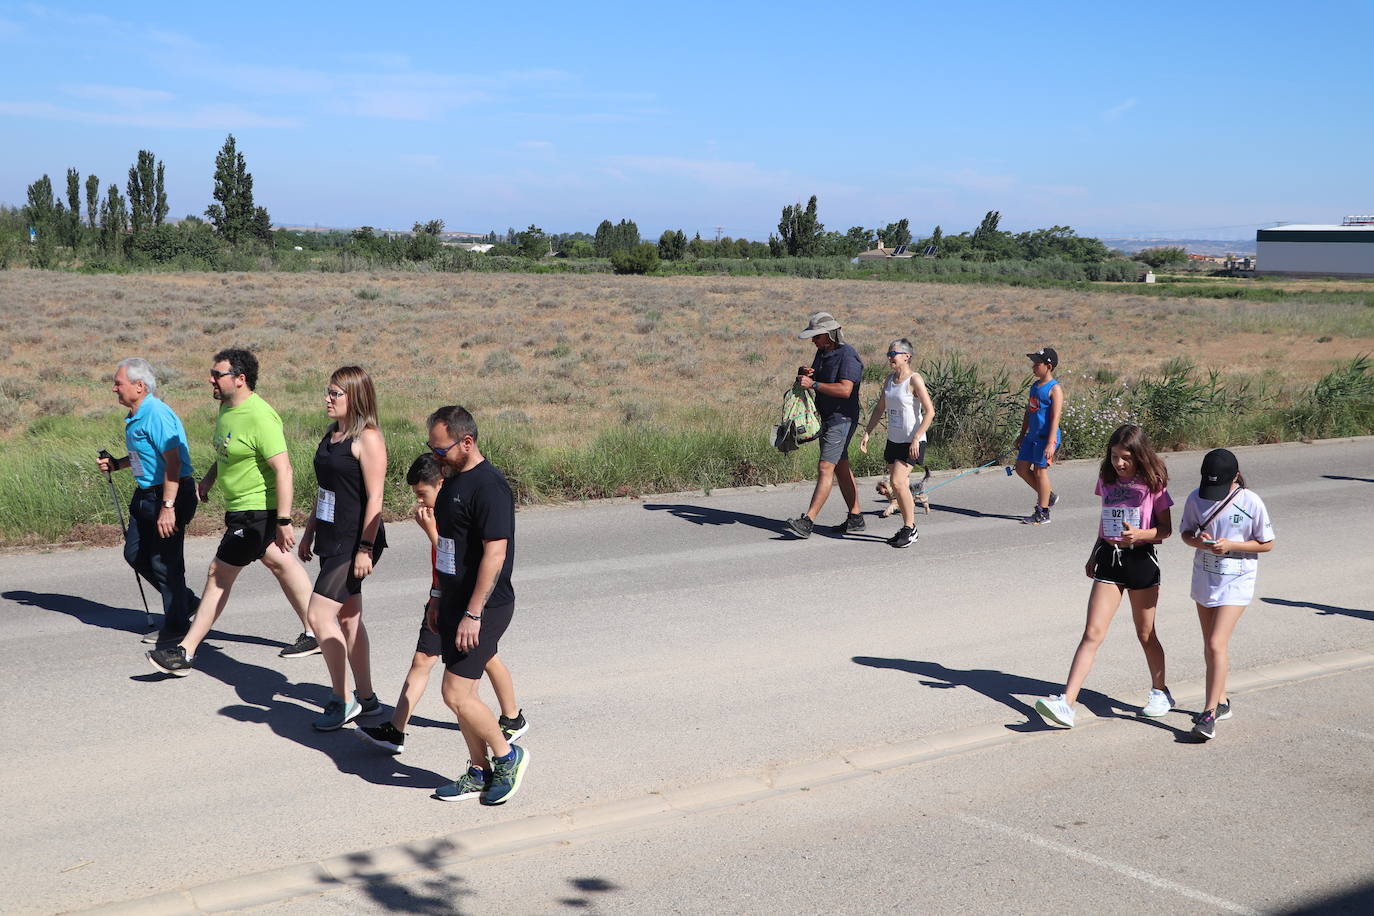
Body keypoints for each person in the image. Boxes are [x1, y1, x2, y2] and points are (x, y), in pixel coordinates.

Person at [147, 349, 317, 676]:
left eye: (217, 374)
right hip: (241, 508)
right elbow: (229, 453)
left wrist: (283, 520)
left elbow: (284, 470)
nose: (211, 379)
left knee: (218, 574)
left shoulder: (259, 415)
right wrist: (208, 481)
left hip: (257, 512)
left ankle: (185, 651)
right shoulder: (227, 409)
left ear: (240, 379)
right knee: (280, 562)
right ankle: (318, 630)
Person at [358, 453, 528, 755]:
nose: (420, 502)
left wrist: (431, 532)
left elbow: (457, 560)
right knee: (431, 661)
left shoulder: (455, 507)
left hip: (465, 603)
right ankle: (397, 729)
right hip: (442, 597)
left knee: (464, 679)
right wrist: (436, 597)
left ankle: (507, 735)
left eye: (423, 493)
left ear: (441, 483)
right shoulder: (442, 507)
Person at [1034, 425, 1174, 729]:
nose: (1119, 464)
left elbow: (1166, 529)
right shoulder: (1107, 480)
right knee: (1092, 633)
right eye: (1114, 457)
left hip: (1141, 560)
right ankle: (1067, 703)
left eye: (1125, 458)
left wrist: (1141, 534)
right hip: (1109, 559)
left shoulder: (1154, 482)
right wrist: (1094, 552)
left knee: (1145, 634)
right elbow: (1105, 517)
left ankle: (1160, 691)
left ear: (1140, 456)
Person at [425, 406, 529, 804]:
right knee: (463, 695)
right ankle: (478, 770)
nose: (436, 457)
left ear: (466, 442)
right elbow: (448, 548)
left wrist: (472, 613)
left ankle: (507, 757)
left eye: (442, 449)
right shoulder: (452, 482)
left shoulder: (489, 487)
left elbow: (495, 555)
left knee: (455, 693)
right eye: (431, 449)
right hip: (452, 602)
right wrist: (437, 597)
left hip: (485, 607)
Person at [297, 367, 388, 731]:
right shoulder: (333, 435)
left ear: (355, 396)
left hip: (356, 541)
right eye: (328, 392)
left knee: (318, 617)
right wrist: (309, 531)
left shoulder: (368, 438)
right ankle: (366, 699)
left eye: (335, 393)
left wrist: (366, 548)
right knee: (348, 618)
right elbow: (326, 492)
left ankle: (341, 696)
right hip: (331, 537)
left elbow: (376, 497)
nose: (328, 399)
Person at [97, 357, 199, 647]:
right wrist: (117, 464)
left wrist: (168, 507)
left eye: (119, 383)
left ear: (139, 386)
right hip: (146, 494)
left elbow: (173, 461)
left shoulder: (156, 413)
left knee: (165, 562)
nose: (114, 389)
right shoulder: (136, 415)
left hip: (169, 495)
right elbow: (146, 454)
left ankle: (178, 626)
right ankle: (185, 601)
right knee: (135, 554)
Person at [1178, 448, 1274, 741]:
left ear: (1235, 477)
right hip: (1205, 578)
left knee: (1217, 642)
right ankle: (1221, 701)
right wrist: (1201, 543)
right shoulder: (1196, 498)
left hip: (1237, 581)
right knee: (1210, 644)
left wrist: (1232, 544)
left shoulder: (1250, 502)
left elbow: (1266, 543)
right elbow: (1185, 534)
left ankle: (1207, 715)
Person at [786, 312, 865, 538]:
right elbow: (817, 379)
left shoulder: (848, 355)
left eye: (816, 336)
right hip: (828, 418)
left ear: (829, 335)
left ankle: (807, 521)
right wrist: (806, 374)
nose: (813, 341)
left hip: (842, 419)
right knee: (840, 467)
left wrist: (815, 383)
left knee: (825, 468)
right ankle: (856, 517)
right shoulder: (822, 352)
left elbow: (845, 390)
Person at [859, 338, 935, 548]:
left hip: (912, 441)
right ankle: (906, 527)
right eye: (888, 354)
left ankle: (910, 529)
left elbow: (930, 412)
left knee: (899, 482)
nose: (889, 357)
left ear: (906, 356)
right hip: (893, 440)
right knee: (896, 484)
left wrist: (917, 437)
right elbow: (879, 409)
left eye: (893, 353)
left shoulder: (915, 380)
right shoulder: (889, 380)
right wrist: (867, 432)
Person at [1014, 347, 1064, 525]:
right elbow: (1029, 412)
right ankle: (1047, 496)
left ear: (1048, 366)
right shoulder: (1035, 387)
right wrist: (1021, 435)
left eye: (1037, 364)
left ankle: (1043, 512)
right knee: (1020, 468)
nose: (1033, 367)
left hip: (1046, 437)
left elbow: (1055, 417)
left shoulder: (1054, 389)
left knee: (1040, 471)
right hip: (1031, 436)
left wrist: (1051, 442)